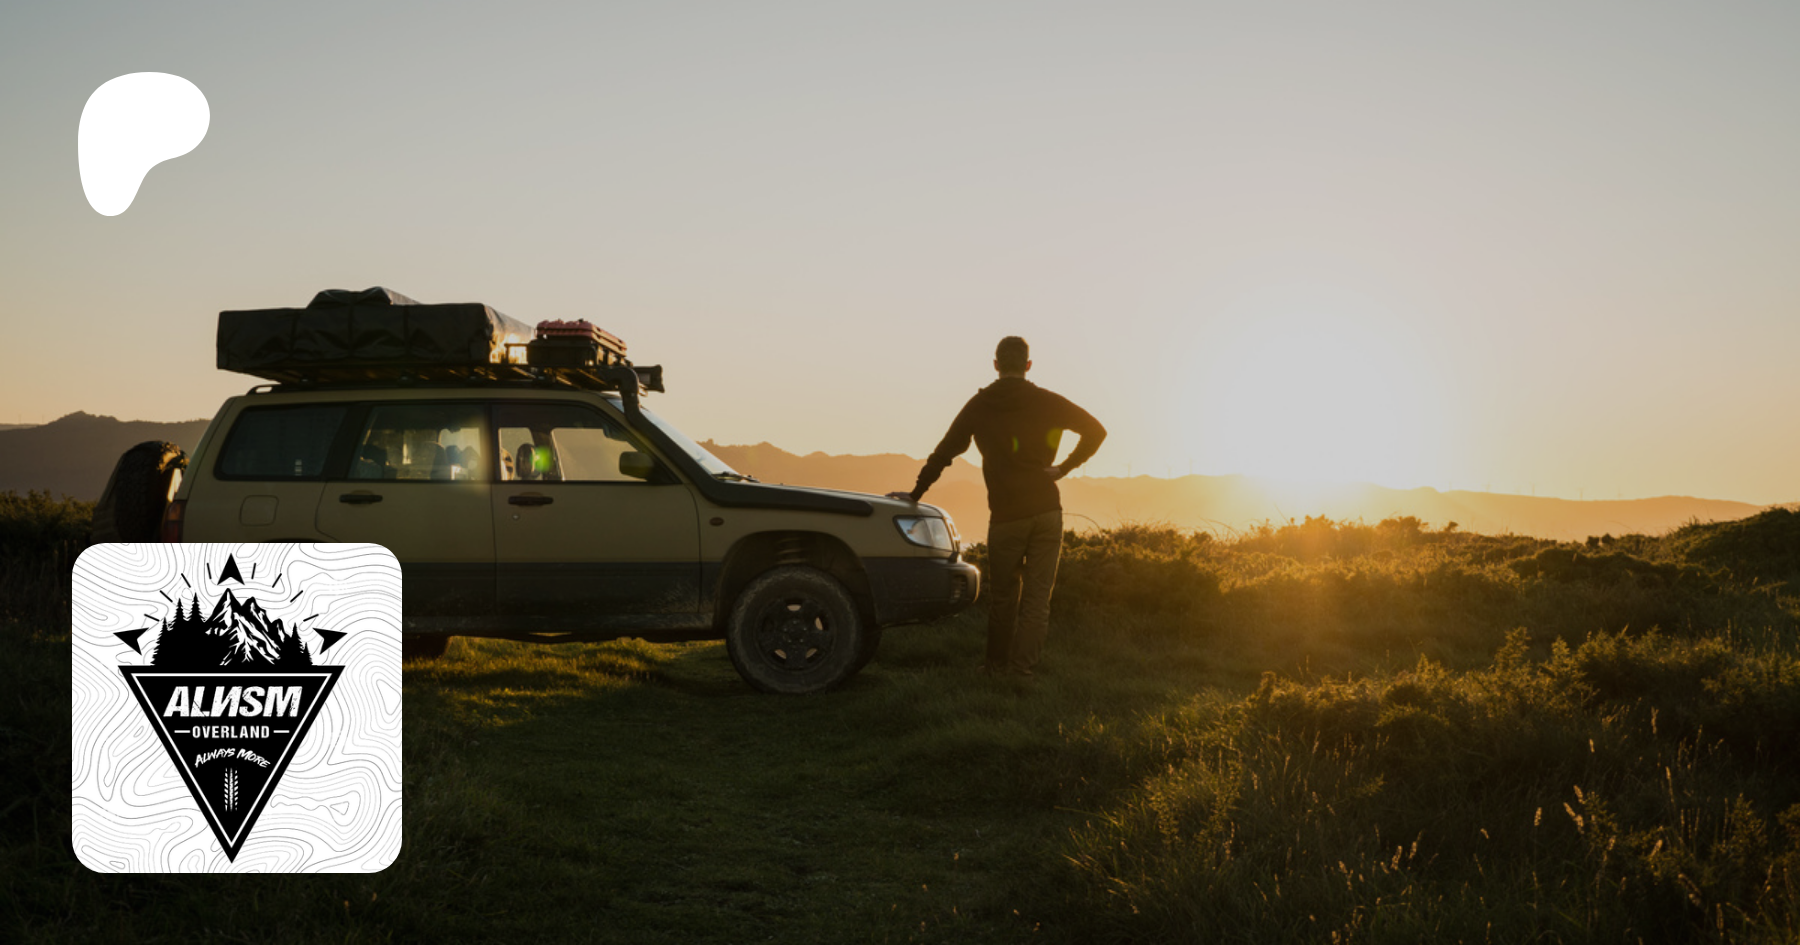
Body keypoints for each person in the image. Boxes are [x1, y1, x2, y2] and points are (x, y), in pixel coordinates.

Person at [888, 336, 1105, 676]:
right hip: (1047, 511)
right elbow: (1096, 431)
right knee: (1037, 599)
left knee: (1004, 597)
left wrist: (916, 493)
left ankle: (995, 668)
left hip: (1006, 516)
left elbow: (944, 451)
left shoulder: (980, 405)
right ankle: (1022, 670)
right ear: (1028, 365)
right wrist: (1064, 468)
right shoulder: (1048, 401)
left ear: (995, 365)